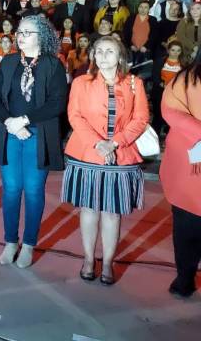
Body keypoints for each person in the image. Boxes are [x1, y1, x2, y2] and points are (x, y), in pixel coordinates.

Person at [62, 35, 148, 285]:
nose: (102, 56)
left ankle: (108, 262)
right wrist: (99, 143)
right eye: (98, 51)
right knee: (89, 209)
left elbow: (140, 119)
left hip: (121, 156)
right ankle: (89, 259)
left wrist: (114, 142)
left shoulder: (134, 83)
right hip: (88, 153)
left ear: (120, 57)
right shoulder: (81, 82)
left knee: (112, 212)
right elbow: (75, 116)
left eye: (109, 51)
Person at [0, 15, 68, 268]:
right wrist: (12, 123)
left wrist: (24, 119)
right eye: (19, 32)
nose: (21, 37)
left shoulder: (53, 65)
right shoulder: (9, 61)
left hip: (37, 134)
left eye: (28, 33)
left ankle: (29, 244)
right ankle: (10, 241)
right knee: (11, 189)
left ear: (41, 36)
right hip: (11, 132)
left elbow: (57, 103)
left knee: (33, 190)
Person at [160, 50, 201, 298]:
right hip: (189, 165)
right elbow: (170, 111)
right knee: (186, 228)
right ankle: (185, 278)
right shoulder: (185, 79)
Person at [122, 0, 159, 69]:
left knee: (143, 71)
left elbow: (154, 35)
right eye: (141, 7)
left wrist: (146, 46)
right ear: (138, 8)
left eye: (145, 7)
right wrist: (131, 45)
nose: (143, 9)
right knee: (130, 69)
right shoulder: (131, 18)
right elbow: (126, 33)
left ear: (149, 9)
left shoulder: (153, 20)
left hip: (145, 50)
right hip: (132, 49)